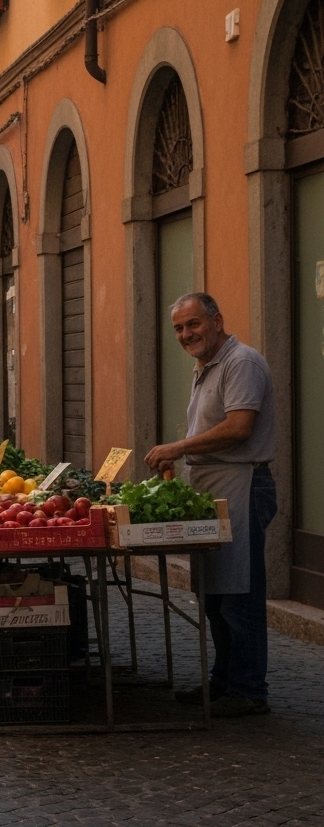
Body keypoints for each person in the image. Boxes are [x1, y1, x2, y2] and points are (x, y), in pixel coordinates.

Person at [145, 292, 277, 718]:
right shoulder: (206, 367)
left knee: (241, 596)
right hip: (211, 487)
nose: (186, 334)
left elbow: (239, 426)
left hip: (241, 484)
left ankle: (249, 689)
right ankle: (224, 680)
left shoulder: (242, 362)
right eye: (180, 328)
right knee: (215, 596)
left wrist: (179, 447)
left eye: (194, 324)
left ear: (217, 320)